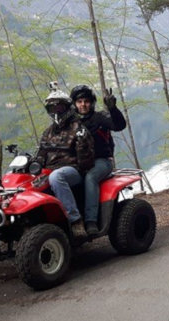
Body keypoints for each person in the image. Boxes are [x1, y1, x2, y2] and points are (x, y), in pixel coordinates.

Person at [36, 83, 94, 237]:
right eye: (52, 109)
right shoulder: (48, 132)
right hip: (49, 170)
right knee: (26, 181)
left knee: (57, 176)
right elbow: (41, 154)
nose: (56, 112)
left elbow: (87, 162)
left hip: (73, 170)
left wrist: (81, 146)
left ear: (67, 108)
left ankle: (76, 221)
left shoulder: (78, 128)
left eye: (59, 108)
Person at [70, 85, 127, 235]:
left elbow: (119, 125)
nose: (83, 104)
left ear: (92, 102)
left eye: (86, 101)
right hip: (79, 163)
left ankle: (91, 222)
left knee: (90, 177)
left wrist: (113, 109)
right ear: (74, 104)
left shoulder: (100, 117)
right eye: (79, 101)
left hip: (102, 161)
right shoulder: (72, 122)